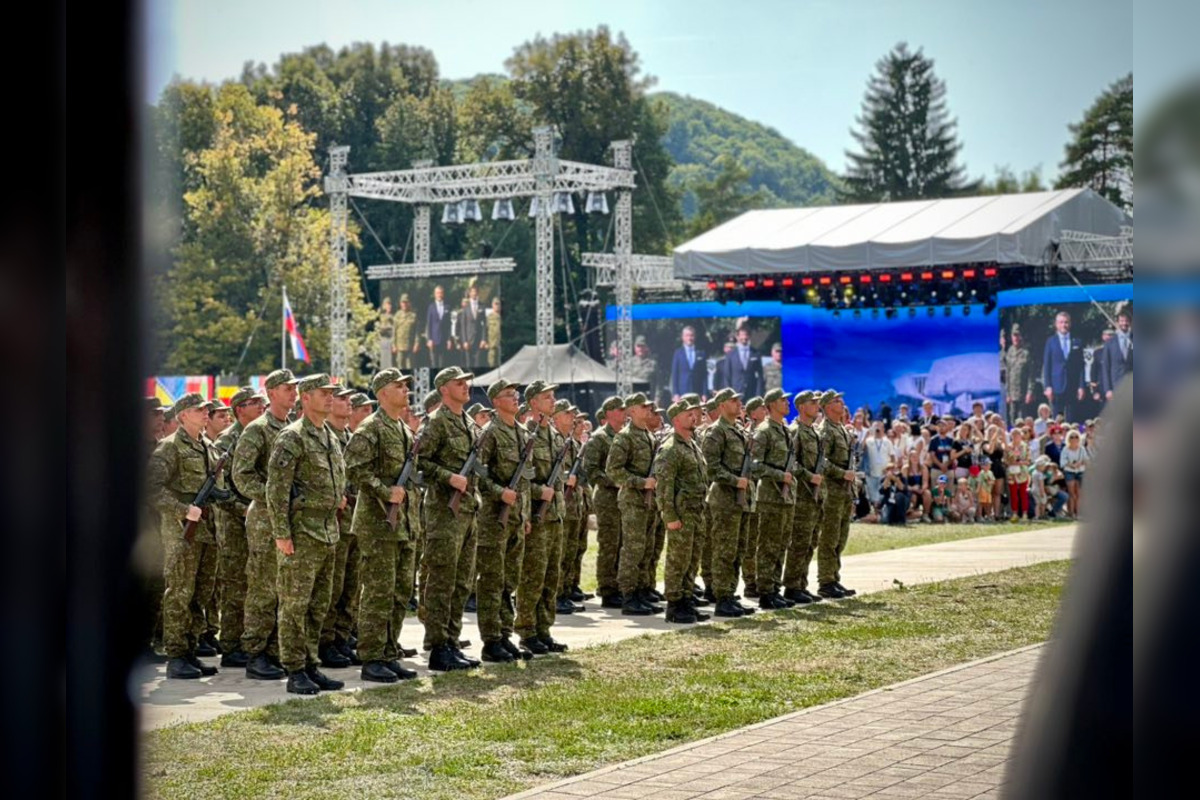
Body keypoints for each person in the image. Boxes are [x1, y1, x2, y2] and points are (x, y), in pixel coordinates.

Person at [267, 373, 348, 696]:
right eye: (322, 393)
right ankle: (295, 668)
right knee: (294, 605)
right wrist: (281, 533)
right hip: (301, 533)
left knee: (318, 605)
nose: (330, 398)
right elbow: (277, 490)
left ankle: (311, 663)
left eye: (331, 393)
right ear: (305, 398)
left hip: (327, 531)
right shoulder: (292, 437)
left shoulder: (327, 435)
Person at [342, 369, 421, 683]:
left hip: (402, 523)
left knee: (400, 591)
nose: (405, 391)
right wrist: (383, 489)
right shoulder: (370, 428)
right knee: (378, 591)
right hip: (377, 523)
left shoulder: (402, 428)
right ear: (381, 393)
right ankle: (372, 657)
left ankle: (389, 652)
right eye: (398, 386)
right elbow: (354, 468)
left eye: (406, 386)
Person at [145, 392, 224, 680]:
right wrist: (182, 510)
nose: (206, 413)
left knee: (200, 595)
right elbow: (151, 486)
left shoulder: (209, 447)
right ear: (182, 415)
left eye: (206, 409)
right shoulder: (170, 448)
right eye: (199, 409)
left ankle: (190, 650)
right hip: (181, 534)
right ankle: (176, 655)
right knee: (179, 593)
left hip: (208, 533)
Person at [231, 369, 297, 681]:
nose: (293, 393)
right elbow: (241, 475)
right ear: (271, 393)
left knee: (284, 588)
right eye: (286, 388)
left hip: (290, 519)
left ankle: (274, 651)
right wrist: (274, 496)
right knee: (262, 587)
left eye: (295, 388)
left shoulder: (293, 428)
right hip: (265, 521)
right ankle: (256, 653)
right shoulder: (258, 429)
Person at [416, 366, 482, 670]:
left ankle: (452, 641)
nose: (466, 386)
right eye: (459, 383)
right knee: (442, 581)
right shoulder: (436, 422)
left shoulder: (467, 421)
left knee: (461, 581)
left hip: (468, 511)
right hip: (444, 512)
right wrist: (448, 477)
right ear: (444, 389)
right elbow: (419, 462)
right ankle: (438, 647)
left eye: (467, 382)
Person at [474, 379, 535, 663]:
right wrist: (500, 493)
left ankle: (505, 633)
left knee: (510, 579)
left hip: (515, 519)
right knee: (492, 580)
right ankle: (491, 640)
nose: (515, 398)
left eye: (516, 394)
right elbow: (478, 475)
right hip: (493, 519)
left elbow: (524, 480)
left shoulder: (523, 433)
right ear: (495, 402)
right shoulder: (490, 433)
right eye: (509, 395)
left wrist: (524, 514)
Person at [514, 382, 570, 654]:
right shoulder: (526, 435)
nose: (553, 400)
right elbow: (521, 480)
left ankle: (544, 628)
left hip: (555, 515)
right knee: (532, 576)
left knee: (551, 576)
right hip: (537, 516)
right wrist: (539, 492)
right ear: (533, 403)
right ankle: (526, 630)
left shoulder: (555, 435)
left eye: (553, 396)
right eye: (547, 397)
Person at [211, 387, 265, 668]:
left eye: (261, 402)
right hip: (233, 523)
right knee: (235, 584)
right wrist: (245, 509)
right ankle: (231, 645)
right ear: (239, 409)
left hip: (256, 521)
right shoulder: (227, 441)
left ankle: (250, 640)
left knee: (256, 582)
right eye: (254, 403)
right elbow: (221, 489)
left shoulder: (259, 434)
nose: (260, 407)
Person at [701, 388, 757, 618]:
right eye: (734, 400)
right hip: (724, 500)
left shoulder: (738, 431)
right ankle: (722, 597)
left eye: (738, 399)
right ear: (722, 405)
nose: (739, 403)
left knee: (738, 549)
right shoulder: (715, 433)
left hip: (741, 501)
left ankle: (730, 594)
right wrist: (736, 481)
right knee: (724, 549)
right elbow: (710, 468)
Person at [605, 392, 661, 616]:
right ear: (631, 410)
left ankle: (641, 591)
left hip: (650, 502)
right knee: (633, 549)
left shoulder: (648, 435)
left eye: (648, 406)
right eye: (643, 406)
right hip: (633, 501)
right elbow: (613, 471)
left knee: (647, 548)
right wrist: (641, 482)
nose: (648, 410)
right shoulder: (625, 437)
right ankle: (629, 595)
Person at [654, 398, 709, 623]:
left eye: (693, 414)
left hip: (696, 512)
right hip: (682, 513)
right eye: (687, 414)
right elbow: (664, 487)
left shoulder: (692, 445)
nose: (693, 417)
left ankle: (687, 600)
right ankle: (675, 605)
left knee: (692, 558)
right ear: (676, 419)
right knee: (678, 559)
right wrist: (670, 517)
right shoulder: (670, 449)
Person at [752, 388, 798, 610]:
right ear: (770, 405)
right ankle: (766, 592)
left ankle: (775, 588)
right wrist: (780, 476)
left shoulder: (786, 430)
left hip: (786, 497)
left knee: (781, 544)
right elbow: (755, 465)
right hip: (770, 496)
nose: (787, 403)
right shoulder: (764, 431)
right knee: (768, 545)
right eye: (783, 400)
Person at [782, 390, 828, 602]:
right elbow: (791, 463)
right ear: (801, 407)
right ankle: (791, 586)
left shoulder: (815, 432)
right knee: (799, 541)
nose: (817, 405)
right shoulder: (795, 431)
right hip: (801, 494)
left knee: (810, 541)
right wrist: (809, 476)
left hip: (815, 496)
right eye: (813, 403)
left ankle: (801, 583)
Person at [815, 390, 858, 598]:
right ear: (826, 406)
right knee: (829, 538)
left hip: (845, 492)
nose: (842, 404)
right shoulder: (826, 431)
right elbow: (822, 462)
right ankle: (825, 581)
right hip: (831, 491)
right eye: (837, 401)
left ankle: (834, 577)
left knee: (841, 537)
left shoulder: (840, 429)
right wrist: (842, 473)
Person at [584, 396, 626, 608]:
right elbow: (591, 471)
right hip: (608, 497)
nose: (624, 413)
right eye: (619, 410)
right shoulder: (599, 438)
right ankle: (608, 589)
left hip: (624, 498)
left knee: (622, 543)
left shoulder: (625, 436)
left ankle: (619, 585)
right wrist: (615, 481)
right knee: (610, 542)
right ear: (609, 413)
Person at [1042, 310, 1086, 421]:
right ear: (1056, 324)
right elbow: (1047, 366)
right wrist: (1048, 386)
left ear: (1070, 324)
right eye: (1061, 322)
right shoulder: (1050, 342)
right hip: (1057, 387)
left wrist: (1081, 386)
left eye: (1066, 322)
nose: (1064, 325)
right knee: (1058, 420)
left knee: (1071, 419)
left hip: (1072, 385)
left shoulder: (1077, 341)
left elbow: (1081, 366)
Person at [1099, 302, 1133, 401]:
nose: (1124, 323)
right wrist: (1108, 389)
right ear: (1117, 323)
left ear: (1130, 322)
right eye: (1122, 321)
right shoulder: (1110, 343)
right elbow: (1105, 368)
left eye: (1126, 321)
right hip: (1115, 387)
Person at [1004, 324, 1034, 424]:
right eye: (1014, 335)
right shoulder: (1009, 351)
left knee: (1023, 418)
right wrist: (1007, 393)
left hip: (1023, 392)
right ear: (1011, 337)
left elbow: (1031, 375)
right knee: (1012, 417)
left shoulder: (1026, 352)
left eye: (1018, 335)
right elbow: (1007, 374)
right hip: (1012, 393)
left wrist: (1030, 392)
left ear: (1021, 336)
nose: (1016, 338)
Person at [670, 325, 707, 401]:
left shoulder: (701, 353)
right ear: (682, 337)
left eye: (691, 335)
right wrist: (675, 393)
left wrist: (704, 393)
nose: (689, 338)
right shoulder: (678, 353)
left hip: (697, 393)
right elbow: (674, 375)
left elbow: (704, 375)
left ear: (695, 337)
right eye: (687, 335)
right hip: (682, 394)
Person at [727, 325, 764, 399]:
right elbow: (727, 377)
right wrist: (728, 395)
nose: (744, 337)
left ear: (749, 336)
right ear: (737, 337)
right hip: (735, 395)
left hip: (751, 394)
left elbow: (760, 376)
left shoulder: (756, 353)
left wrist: (758, 394)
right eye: (742, 335)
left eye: (746, 335)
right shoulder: (730, 355)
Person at [1060, 428, 1090, 519]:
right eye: (1072, 437)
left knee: (1079, 494)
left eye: (1076, 437)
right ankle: (1071, 513)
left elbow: (1087, 460)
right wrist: (1071, 465)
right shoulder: (1065, 449)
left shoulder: (1082, 449)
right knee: (1072, 493)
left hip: (1080, 471)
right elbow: (1062, 462)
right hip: (1069, 472)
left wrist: (1080, 463)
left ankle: (1078, 513)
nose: (1074, 438)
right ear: (1068, 438)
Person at [1006, 428, 1032, 522]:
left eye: (1017, 434)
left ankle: (1025, 513)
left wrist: (1020, 462)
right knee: (1013, 494)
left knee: (1023, 493)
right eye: (1014, 435)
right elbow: (1005, 460)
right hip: (1011, 472)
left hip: (1022, 472)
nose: (1016, 437)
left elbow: (1029, 460)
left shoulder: (1025, 446)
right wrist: (1011, 462)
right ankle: (1014, 513)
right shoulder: (1008, 446)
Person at [425, 285, 454, 368]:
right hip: (433, 340)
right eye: (437, 293)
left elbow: (449, 325)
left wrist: (449, 339)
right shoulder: (431, 307)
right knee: (434, 363)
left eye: (441, 293)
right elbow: (429, 324)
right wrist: (429, 339)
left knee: (443, 363)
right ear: (435, 294)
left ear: (443, 294)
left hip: (444, 339)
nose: (439, 295)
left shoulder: (447, 307)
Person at [627, 336, 659, 404]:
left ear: (646, 348)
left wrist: (657, 398)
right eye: (638, 346)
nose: (640, 349)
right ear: (634, 348)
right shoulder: (629, 363)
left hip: (648, 399)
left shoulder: (653, 363)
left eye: (642, 346)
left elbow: (659, 383)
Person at [459, 282, 486, 364]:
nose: (474, 293)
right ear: (470, 293)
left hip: (478, 340)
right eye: (472, 292)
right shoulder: (466, 308)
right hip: (468, 341)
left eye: (475, 292)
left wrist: (483, 339)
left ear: (477, 293)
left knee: (478, 362)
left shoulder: (482, 306)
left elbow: (484, 324)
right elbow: (463, 326)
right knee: (469, 364)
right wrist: (464, 341)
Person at [393, 293, 419, 370]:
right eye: (403, 302)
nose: (404, 304)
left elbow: (417, 332)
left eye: (406, 302)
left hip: (410, 346)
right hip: (399, 346)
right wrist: (394, 345)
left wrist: (416, 344)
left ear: (409, 303)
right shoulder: (397, 315)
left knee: (410, 366)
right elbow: (394, 331)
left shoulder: (413, 315)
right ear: (400, 303)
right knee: (400, 366)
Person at [377, 297, 395, 370]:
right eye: (387, 304)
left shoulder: (393, 317)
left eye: (390, 304)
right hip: (381, 340)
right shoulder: (381, 316)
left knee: (389, 361)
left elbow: (394, 329)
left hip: (389, 340)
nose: (389, 306)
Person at [485, 297, 502, 368]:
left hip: (500, 344)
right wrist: (485, 342)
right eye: (495, 304)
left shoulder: (502, 316)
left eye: (498, 304)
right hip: (492, 344)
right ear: (492, 305)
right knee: (491, 365)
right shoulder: (489, 317)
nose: (497, 306)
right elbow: (485, 330)